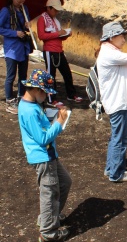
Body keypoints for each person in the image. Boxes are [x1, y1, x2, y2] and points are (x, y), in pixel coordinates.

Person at [17, 69, 72, 242]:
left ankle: (49, 217)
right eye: (45, 92)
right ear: (36, 89)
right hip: (43, 157)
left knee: (64, 182)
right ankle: (48, 233)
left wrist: (52, 118)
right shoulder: (30, 110)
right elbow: (42, 138)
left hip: (48, 155)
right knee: (49, 193)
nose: (47, 96)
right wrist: (59, 123)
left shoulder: (31, 106)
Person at [96, 22, 127, 182]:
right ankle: (116, 174)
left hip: (115, 101)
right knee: (120, 139)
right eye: (121, 36)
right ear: (112, 37)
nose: (124, 39)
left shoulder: (109, 50)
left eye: (124, 36)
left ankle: (111, 169)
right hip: (117, 102)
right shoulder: (110, 53)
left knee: (116, 136)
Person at [37, 0, 83, 107]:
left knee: (67, 72)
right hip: (49, 50)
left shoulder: (55, 20)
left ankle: (71, 94)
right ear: (49, 8)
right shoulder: (42, 19)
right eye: (55, 10)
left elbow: (58, 36)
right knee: (50, 75)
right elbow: (41, 35)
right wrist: (58, 34)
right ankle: (51, 99)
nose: (56, 12)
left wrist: (65, 35)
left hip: (58, 50)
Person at [0, 0, 31, 114]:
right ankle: (9, 100)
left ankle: (21, 97)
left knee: (23, 75)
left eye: (23, 0)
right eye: (18, 1)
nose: (21, 3)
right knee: (11, 75)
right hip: (12, 48)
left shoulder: (25, 9)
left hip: (23, 47)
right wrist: (15, 33)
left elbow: (27, 26)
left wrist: (27, 25)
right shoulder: (6, 11)